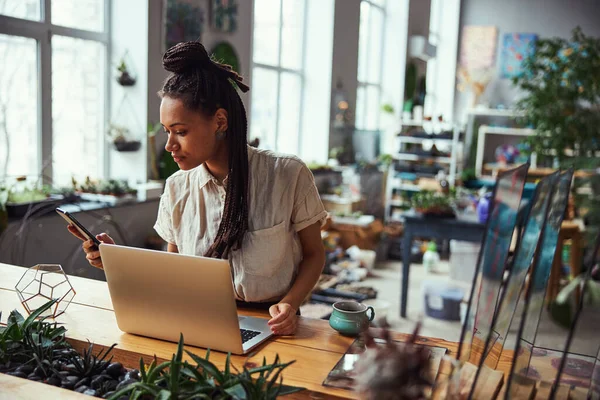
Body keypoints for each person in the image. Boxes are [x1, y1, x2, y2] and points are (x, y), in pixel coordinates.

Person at [68, 41, 327, 336]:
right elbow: (175, 275)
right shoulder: (177, 188)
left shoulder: (287, 174)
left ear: (219, 121)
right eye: (167, 132)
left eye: (180, 131)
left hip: (273, 323)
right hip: (200, 320)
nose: (169, 146)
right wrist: (114, 262)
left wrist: (290, 305)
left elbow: (314, 254)